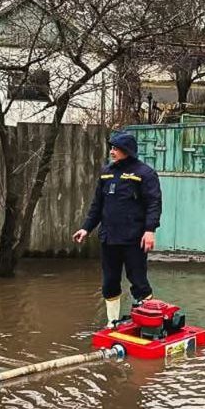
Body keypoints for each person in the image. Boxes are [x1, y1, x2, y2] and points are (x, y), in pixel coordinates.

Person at [73, 130, 161, 328]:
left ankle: (146, 324)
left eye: (116, 148)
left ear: (127, 150)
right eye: (111, 148)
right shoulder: (107, 173)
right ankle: (112, 322)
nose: (112, 152)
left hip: (134, 238)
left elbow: (154, 203)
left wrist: (150, 230)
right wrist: (86, 228)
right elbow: (97, 205)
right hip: (109, 238)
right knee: (110, 281)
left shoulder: (144, 174)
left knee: (138, 280)